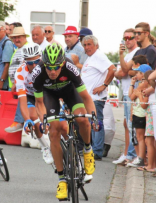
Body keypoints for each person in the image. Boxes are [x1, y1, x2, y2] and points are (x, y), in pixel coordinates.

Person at [32, 43, 97, 200]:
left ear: (62, 63)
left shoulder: (70, 67)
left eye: (56, 67)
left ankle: (87, 150)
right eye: (49, 68)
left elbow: (86, 97)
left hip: (70, 92)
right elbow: (39, 104)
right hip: (49, 95)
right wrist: (43, 120)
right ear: (44, 65)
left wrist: (94, 116)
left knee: (83, 119)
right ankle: (62, 179)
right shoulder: (38, 73)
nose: (52, 71)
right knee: (54, 132)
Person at [14, 42, 53, 164]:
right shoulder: (20, 73)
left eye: (37, 61)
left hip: (47, 93)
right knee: (34, 119)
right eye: (30, 63)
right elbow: (22, 101)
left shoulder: (46, 67)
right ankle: (45, 147)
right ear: (25, 62)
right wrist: (27, 120)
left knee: (55, 122)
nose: (35, 65)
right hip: (31, 96)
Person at [81, 35, 116, 160]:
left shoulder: (99, 56)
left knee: (96, 123)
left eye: (89, 44)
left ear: (96, 45)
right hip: (88, 98)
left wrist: (104, 85)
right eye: (85, 45)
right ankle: (92, 149)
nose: (87, 47)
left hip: (95, 98)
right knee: (91, 123)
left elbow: (113, 69)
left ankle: (97, 151)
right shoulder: (90, 58)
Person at [113, 28, 139, 165]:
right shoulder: (128, 55)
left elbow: (122, 72)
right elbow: (119, 73)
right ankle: (127, 153)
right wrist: (123, 70)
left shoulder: (136, 53)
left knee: (131, 124)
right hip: (125, 92)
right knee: (126, 124)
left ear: (135, 39)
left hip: (132, 93)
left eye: (130, 38)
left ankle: (132, 155)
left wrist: (121, 56)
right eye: (125, 38)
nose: (127, 41)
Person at [5, 27, 30, 133]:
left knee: (23, 100)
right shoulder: (18, 50)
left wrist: (17, 82)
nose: (16, 40)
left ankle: (19, 122)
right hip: (16, 83)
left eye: (19, 37)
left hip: (23, 83)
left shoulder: (27, 48)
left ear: (24, 37)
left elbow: (25, 66)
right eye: (14, 38)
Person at [127, 64, 152, 168]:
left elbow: (143, 105)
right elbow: (131, 96)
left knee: (140, 137)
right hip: (137, 114)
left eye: (137, 72)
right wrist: (132, 84)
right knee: (137, 137)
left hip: (141, 115)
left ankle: (141, 158)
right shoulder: (140, 85)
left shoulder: (146, 87)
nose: (135, 74)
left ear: (143, 75)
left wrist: (139, 94)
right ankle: (140, 158)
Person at [137, 70, 156, 172]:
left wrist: (140, 94)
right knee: (150, 141)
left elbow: (143, 105)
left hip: (151, 116)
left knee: (149, 141)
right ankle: (152, 165)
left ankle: (151, 165)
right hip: (150, 115)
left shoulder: (151, 90)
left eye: (144, 79)